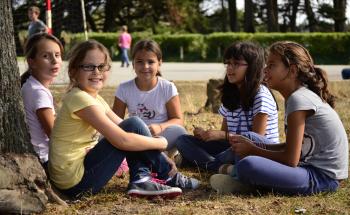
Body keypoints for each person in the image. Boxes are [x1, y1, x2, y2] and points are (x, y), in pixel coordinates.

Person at [48, 40, 199, 199]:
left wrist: (159, 156)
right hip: (75, 183)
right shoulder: (79, 99)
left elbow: (125, 125)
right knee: (132, 125)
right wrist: (161, 143)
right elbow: (123, 140)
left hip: (76, 175)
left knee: (133, 123)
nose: (96, 72)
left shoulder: (93, 98)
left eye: (102, 66)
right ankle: (161, 177)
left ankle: (144, 178)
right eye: (88, 66)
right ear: (73, 71)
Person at [210, 41, 348, 196]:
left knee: (249, 164)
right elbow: (288, 146)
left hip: (322, 178)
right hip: (306, 166)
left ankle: (236, 175)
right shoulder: (296, 97)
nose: (264, 70)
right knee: (249, 137)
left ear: (292, 71)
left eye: (271, 65)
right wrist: (253, 145)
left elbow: (290, 160)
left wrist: (253, 150)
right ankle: (241, 176)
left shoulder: (299, 100)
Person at [175, 41, 279, 172]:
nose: (230, 68)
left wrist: (221, 135)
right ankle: (221, 167)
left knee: (232, 153)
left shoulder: (261, 96)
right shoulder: (231, 94)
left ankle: (198, 162)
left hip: (258, 152)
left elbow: (256, 139)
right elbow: (225, 136)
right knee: (182, 140)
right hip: (233, 148)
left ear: (252, 67)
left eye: (236, 64)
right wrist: (206, 135)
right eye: (228, 63)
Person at [112, 39, 187, 160]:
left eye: (151, 62)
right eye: (140, 62)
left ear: (159, 63)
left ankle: (143, 154)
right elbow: (116, 122)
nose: (145, 66)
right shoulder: (124, 88)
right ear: (133, 64)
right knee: (104, 137)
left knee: (180, 131)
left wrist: (160, 127)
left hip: (160, 136)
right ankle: (156, 156)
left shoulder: (167, 87)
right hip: (135, 137)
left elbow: (178, 120)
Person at [21, 33, 63, 171]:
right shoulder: (39, 93)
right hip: (47, 162)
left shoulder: (30, 85)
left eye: (57, 55)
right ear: (31, 62)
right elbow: (55, 136)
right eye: (46, 56)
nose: (54, 61)